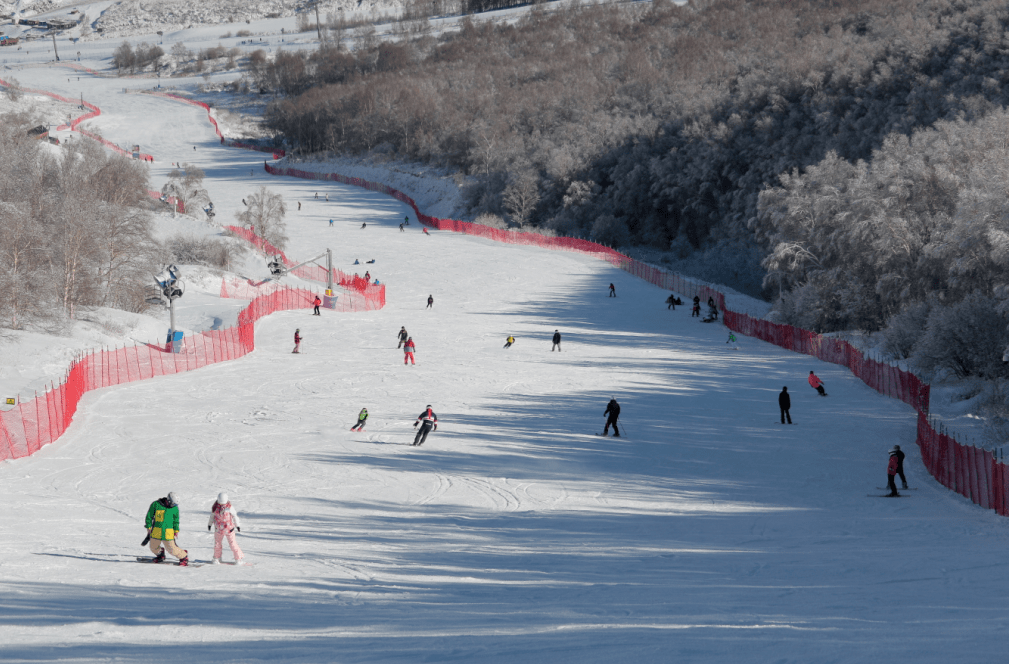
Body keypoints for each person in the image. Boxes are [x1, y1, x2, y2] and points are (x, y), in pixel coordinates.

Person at [144, 492, 188, 566]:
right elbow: (149, 516)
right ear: (168, 501)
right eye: (173, 504)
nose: (174, 505)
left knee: (171, 549)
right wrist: (148, 526)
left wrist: (176, 530)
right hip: (156, 531)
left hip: (168, 532)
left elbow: (176, 520)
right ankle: (160, 554)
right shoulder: (156, 504)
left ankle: (184, 557)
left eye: (175, 504)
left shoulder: (175, 508)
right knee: (153, 547)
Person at [207, 492, 243, 565]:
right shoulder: (215, 507)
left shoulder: (229, 507)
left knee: (233, 544)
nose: (222, 505)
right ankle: (217, 558)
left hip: (229, 529)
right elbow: (212, 516)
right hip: (218, 529)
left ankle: (238, 559)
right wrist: (209, 524)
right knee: (217, 544)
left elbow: (235, 516)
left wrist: (237, 525)